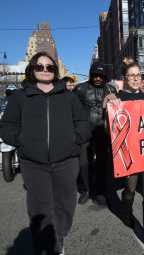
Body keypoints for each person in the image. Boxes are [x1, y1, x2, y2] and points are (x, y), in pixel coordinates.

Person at [0, 52, 90, 254]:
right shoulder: (19, 97)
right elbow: (7, 126)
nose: (45, 70)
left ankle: (59, 235)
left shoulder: (68, 96)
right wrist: (22, 143)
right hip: (33, 163)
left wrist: (75, 141)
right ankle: (43, 242)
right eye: (39, 67)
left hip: (67, 160)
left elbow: (83, 123)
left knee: (65, 202)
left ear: (55, 71)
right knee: (39, 205)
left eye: (49, 67)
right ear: (32, 69)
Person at [104, 62, 144, 254]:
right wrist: (109, 107)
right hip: (129, 153)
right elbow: (109, 129)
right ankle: (126, 210)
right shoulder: (117, 99)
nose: (136, 78)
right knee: (130, 187)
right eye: (131, 75)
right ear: (125, 79)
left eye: (138, 75)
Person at [74, 62, 117, 206]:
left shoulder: (111, 89)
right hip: (85, 132)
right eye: (95, 75)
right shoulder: (80, 89)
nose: (98, 78)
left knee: (102, 163)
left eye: (101, 75)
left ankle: (99, 191)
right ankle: (86, 190)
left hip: (103, 132)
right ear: (91, 74)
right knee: (84, 163)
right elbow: (73, 111)